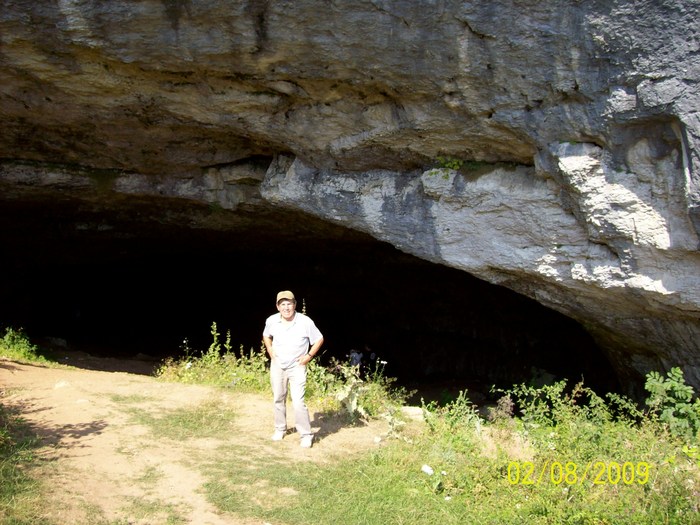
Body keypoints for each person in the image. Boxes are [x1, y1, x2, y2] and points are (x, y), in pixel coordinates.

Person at [262, 290, 324, 448]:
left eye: (289, 304)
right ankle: (280, 429)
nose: (286, 307)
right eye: (282, 304)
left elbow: (319, 339)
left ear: (295, 305)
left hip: (297, 366)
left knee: (298, 402)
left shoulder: (305, 321)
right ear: (277, 306)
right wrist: (269, 349)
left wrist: (308, 356)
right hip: (278, 365)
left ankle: (306, 435)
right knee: (278, 398)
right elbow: (266, 335)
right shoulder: (271, 320)